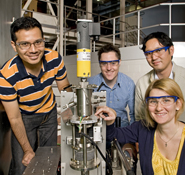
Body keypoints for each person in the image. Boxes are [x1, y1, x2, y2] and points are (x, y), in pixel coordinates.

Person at [0, 17, 72, 175]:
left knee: (49, 160)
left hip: (49, 114)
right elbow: (14, 118)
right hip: (24, 118)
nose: (33, 50)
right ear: (14, 45)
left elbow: (65, 88)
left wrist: (72, 110)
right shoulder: (6, 75)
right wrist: (27, 150)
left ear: (43, 40)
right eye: (25, 44)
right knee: (22, 165)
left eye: (38, 42)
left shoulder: (54, 59)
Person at [95, 78, 185, 175]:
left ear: (178, 104)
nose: (159, 108)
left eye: (166, 100)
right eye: (153, 101)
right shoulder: (142, 128)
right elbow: (112, 135)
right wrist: (110, 121)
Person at [135, 31, 185, 122]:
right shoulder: (142, 83)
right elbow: (140, 119)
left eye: (158, 50)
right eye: (148, 53)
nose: (153, 57)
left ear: (171, 50)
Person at [87, 43, 135, 128]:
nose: (109, 68)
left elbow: (133, 114)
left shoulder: (128, 83)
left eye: (113, 63)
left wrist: (133, 136)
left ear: (119, 62)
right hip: (98, 131)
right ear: (99, 64)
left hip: (122, 130)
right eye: (104, 63)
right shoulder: (90, 83)